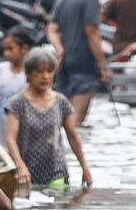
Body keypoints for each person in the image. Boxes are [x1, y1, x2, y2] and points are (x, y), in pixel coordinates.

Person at [6, 48, 93, 188]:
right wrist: (19, 165)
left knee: (57, 206)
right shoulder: (17, 103)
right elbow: (10, 139)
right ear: (28, 73)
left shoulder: (61, 102)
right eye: (39, 72)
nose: (45, 76)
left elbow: (73, 137)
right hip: (26, 172)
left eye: (49, 71)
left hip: (56, 172)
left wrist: (85, 167)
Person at [46, 0, 109, 127]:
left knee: (65, 118)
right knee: (77, 121)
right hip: (84, 63)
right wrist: (103, 65)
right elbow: (92, 32)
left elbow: (52, 29)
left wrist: (60, 49)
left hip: (65, 64)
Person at [0, 28, 34, 143]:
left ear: (25, 48)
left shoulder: (33, 73)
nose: (6, 53)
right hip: (1, 136)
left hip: (25, 138)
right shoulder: (0, 70)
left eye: (11, 49)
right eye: (5, 49)